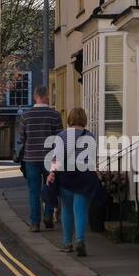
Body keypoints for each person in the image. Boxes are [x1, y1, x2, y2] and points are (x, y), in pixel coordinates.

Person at [46, 107, 101, 257]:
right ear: (84, 119)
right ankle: (80, 241)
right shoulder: (90, 136)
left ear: (69, 119)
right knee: (81, 210)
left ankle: (67, 243)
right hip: (85, 177)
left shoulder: (61, 136)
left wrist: (51, 173)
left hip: (66, 177)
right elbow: (92, 160)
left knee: (67, 210)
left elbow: (56, 158)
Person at [15, 85, 62, 231]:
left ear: (35, 97)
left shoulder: (26, 116)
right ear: (47, 96)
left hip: (31, 158)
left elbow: (22, 138)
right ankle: (48, 216)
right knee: (49, 188)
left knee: (33, 192)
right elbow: (59, 138)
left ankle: (35, 223)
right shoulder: (55, 115)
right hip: (50, 158)